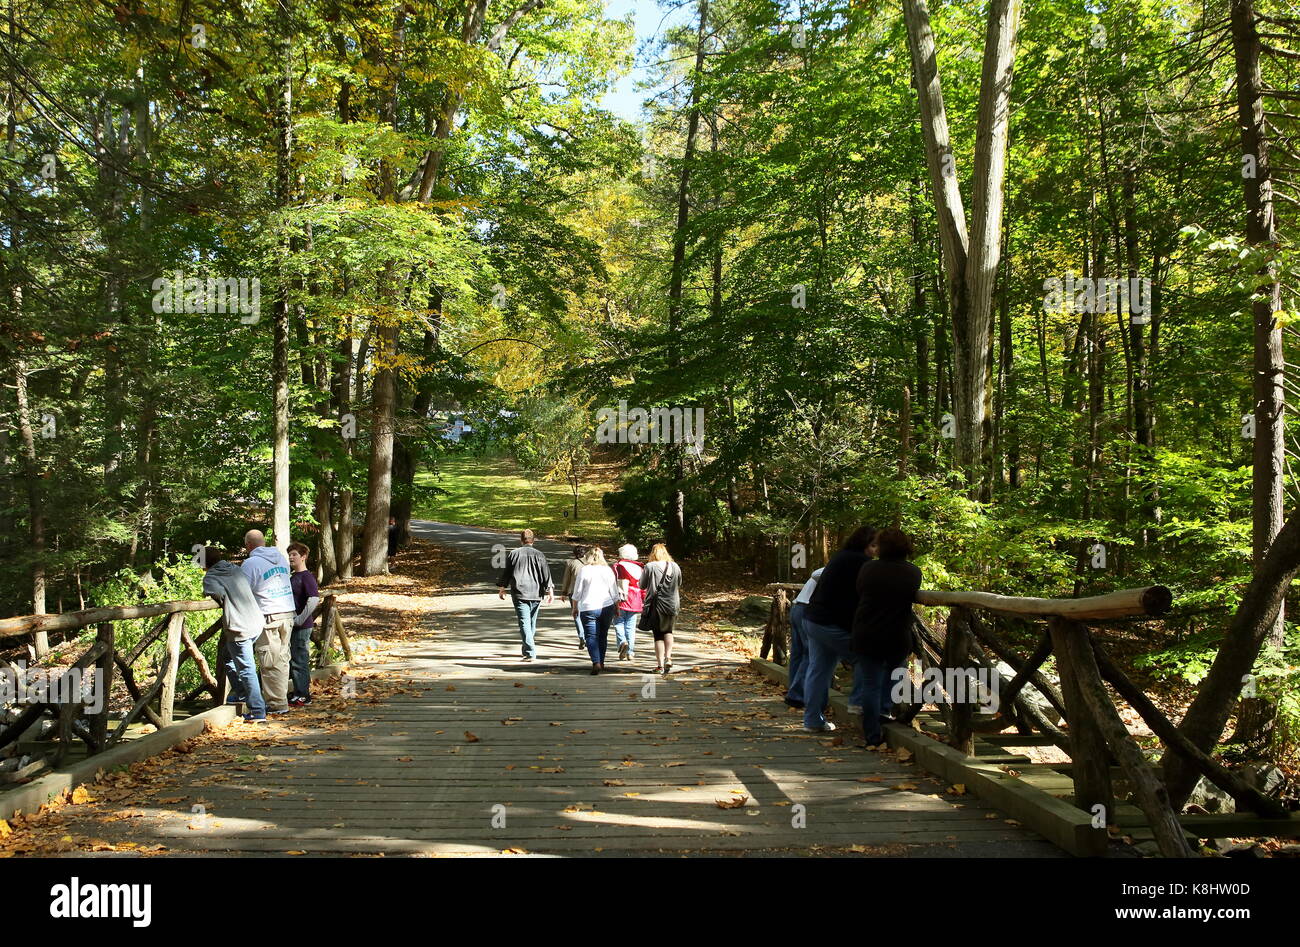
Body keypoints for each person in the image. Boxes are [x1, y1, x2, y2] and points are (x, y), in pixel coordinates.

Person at [800, 526, 877, 732]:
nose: (874, 551)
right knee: (865, 656)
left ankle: (812, 720)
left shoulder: (841, 556)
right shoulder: (861, 562)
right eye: (872, 546)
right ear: (864, 545)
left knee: (819, 670)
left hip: (814, 619)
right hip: (829, 622)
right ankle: (858, 701)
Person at [852, 527, 923, 747]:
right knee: (893, 676)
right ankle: (884, 711)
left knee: (870, 683)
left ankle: (872, 734)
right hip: (897, 633)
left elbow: (860, 591)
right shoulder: (913, 572)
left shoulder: (868, 569)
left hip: (867, 631)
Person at [200, 547, 267, 723]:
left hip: (240, 627)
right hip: (255, 621)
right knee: (227, 657)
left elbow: (218, 595)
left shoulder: (211, 577)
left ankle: (258, 711)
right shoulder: (235, 569)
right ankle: (242, 693)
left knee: (246, 669)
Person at [241, 529, 297, 715]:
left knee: (269, 660)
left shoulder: (250, 563)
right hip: (287, 612)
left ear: (248, 545)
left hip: (268, 614)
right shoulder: (281, 558)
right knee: (282, 658)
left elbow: (243, 591)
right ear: (263, 542)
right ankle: (279, 700)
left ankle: (276, 704)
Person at [496, 528, 553, 662]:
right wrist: (550, 591)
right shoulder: (540, 555)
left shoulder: (514, 554)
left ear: (521, 540)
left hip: (520, 592)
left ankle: (529, 651)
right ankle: (527, 648)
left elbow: (507, 572)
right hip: (536, 592)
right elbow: (546, 574)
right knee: (531, 622)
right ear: (533, 540)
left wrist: (502, 588)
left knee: (524, 622)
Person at [570, 546, 618, 674]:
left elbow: (577, 591)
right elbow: (614, 592)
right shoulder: (608, 570)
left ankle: (596, 662)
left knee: (591, 636)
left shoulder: (585, 570)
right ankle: (601, 662)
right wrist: (617, 607)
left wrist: (575, 607)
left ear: (588, 556)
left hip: (588, 607)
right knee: (603, 635)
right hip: (606, 606)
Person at [784, 566, 824, 709]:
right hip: (805, 608)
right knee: (807, 653)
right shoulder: (833, 569)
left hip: (799, 606)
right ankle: (796, 694)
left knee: (799, 653)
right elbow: (816, 574)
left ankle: (794, 690)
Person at [287, 542, 320, 707]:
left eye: (294, 554)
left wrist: (300, 619)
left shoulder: (307, 577)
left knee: (299, 659)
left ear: (303, 557)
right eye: (290, 555)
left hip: (302, 625)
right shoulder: (293, 576)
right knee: (295, 658)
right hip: (293, 624)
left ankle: (303, 695)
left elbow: (314, 598)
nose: (291, 557)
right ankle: (299, 692)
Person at [640, 542, 682, 674]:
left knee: (658, 635)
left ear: (653, 553)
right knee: (668, 631)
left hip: (656, 604)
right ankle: (668, 658)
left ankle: (660, 666)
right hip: (672, 604)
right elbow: (679, 583)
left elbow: (642, 585)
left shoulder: (650, 566)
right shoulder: (675, 566)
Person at [612, 544, 644, 661]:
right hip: (635, 600)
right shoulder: (640, 568)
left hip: (621, 598)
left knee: (618, 623)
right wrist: (644, 600)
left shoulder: (617, 566)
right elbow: (643, 587)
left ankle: (622, 642)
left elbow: (612, 582)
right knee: (630, 627)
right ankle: (630, 652)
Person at [559, 545, 587, 650]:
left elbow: (567, 578)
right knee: (587, 614)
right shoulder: (590, 563)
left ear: (574, 553)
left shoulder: (571, 563)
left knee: (577, 614)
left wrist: (564, 592)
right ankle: (588, 637)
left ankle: (582, 636)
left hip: (574, 592)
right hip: (587, 592)